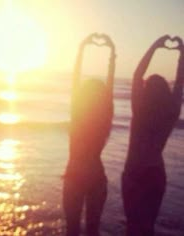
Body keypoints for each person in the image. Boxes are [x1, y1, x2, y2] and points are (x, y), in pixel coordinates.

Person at [122, 35, 184, 236]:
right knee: (147, 228)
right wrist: (182, 52)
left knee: (133, 227)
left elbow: (137, 73)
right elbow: (180, 83)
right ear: (165, 91)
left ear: (146, 90)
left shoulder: (139, 109)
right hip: (155, 174)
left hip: (134, 172)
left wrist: (155, 46)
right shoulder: (171, 111)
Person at [63, 33, 116, 236]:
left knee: (72, 229)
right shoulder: (104, 117)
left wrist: (82, 48)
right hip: (96, 176)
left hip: (75, 174)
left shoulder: (78, 114)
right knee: (93, 229)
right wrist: (111, 52)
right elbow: (109, 87)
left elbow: (75, 79)